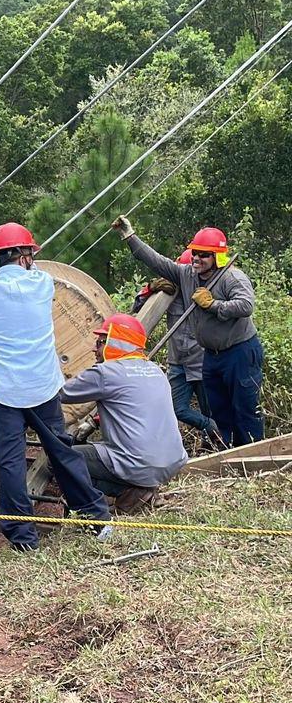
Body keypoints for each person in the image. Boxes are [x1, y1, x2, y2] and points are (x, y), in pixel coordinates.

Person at [0, 222, 111, 550]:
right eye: (30, 253)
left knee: (10, 461)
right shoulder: (42, 284)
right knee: (61, 451)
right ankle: (95, 516)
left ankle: (23, 539)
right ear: (22, 256)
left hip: (4, 390)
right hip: (43, 387)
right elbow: (31, 272)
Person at [114, 218, 263, 447]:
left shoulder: (231, 278)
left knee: (245, 409)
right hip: (211, 356)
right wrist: (130, 237)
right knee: (218, 411)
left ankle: (252, 455)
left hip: (239, 352)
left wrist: (213, 305)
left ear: (217, 257)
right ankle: (227, 454)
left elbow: (246, 306)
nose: (196, 258)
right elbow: (157, 262)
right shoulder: (187, 274)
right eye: (194, 252)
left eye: (204, 255)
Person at [59, 314, 187, 512]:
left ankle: (121, 496)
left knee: (60, 459)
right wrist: (95, 421)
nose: (94, 348)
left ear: (115, 343)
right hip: (172, 462)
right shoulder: (155, 370)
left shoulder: (105, 373)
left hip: (139, 463)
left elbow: (58, 394)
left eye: (100, 342)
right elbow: (136, 408)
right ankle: (140, 489)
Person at [132, 250, 221, 446]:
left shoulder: (210, 289)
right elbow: (137, 310)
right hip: (178, 361)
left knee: (211, 409)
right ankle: (210, 428)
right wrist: (150, 289)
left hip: (202, 360)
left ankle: (212, 447)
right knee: (176, 408)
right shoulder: (167, 291)